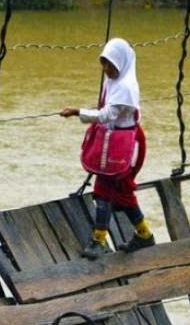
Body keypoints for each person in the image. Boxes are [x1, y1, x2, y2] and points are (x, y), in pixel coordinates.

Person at [60, 38, 155, 260]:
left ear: (121, 63)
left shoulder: (125, 87)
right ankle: (144, 234)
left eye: (110, 65)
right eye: (103, 63)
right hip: (116, 143)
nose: (106, 69)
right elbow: (106, 111)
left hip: (125, 146)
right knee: (121, 191)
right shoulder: (113, 83)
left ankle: (99, 240)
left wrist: (77, 112)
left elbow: (106, 115)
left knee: (104, 189)